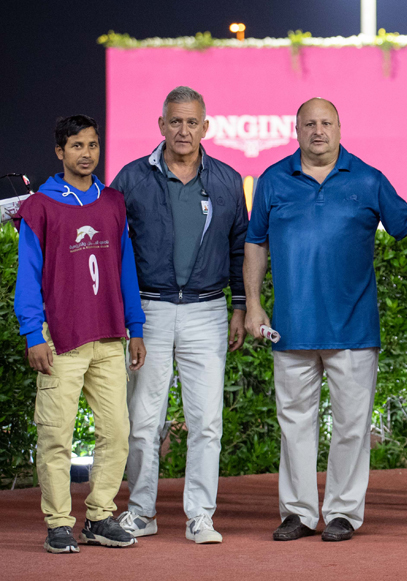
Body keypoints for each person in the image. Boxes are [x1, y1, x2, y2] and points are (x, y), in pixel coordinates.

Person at [244, 98, 407, 543]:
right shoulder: (274, 180)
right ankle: (296, 512)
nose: (318, 131)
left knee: (352, 428)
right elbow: (255, 243)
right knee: (294, 425)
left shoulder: (369, 179)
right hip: (290, 329)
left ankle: (343, 514)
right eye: (309, 123)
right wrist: (254, 304)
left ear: (339, 127)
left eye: (326, 123)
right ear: (296, 129)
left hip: (353, 330)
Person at [110, 86, 249, 544]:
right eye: (175, 122)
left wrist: (240, 307)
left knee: (207, 421)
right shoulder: (130, 179)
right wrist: (128, 319)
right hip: (148, 311)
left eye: (192, 122)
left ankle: (200, 516)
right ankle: (141, 512)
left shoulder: (228, 181)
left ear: (205, 127)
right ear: (161, 126)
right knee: (143, 419)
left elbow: (238, 249)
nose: (183, 130)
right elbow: (111, 249)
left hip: (208, 312)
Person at [14, 115, 146, 553]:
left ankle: (100, 516)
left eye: (92, 145)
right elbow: (28, 278)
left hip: (109, 336)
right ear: (60, 152)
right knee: (56, 434)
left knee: (117, 431)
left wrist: (136, 326)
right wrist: (34, 333)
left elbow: (125, 267)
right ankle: (57, 523)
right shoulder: (40, 206)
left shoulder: (113, 202)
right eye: (76, 146)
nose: (86, 153)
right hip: (60, 339)